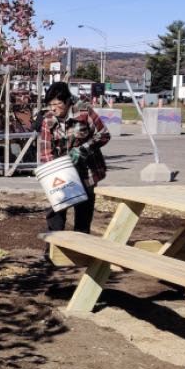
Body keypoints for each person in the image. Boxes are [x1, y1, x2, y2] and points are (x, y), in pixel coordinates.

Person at [38, 81, 111, 262]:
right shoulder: (47, 120)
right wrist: (54, 171)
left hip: (87, 170)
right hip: (62, 171)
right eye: (50, 105)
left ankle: (81, 250)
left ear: (68, 101)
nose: (53, 109)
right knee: (56, 209)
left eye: (57, 104)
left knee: (84, 210)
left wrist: (83, 150)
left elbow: (103, 135)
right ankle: (52, 249)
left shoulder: (84, 112)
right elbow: (46, 151)